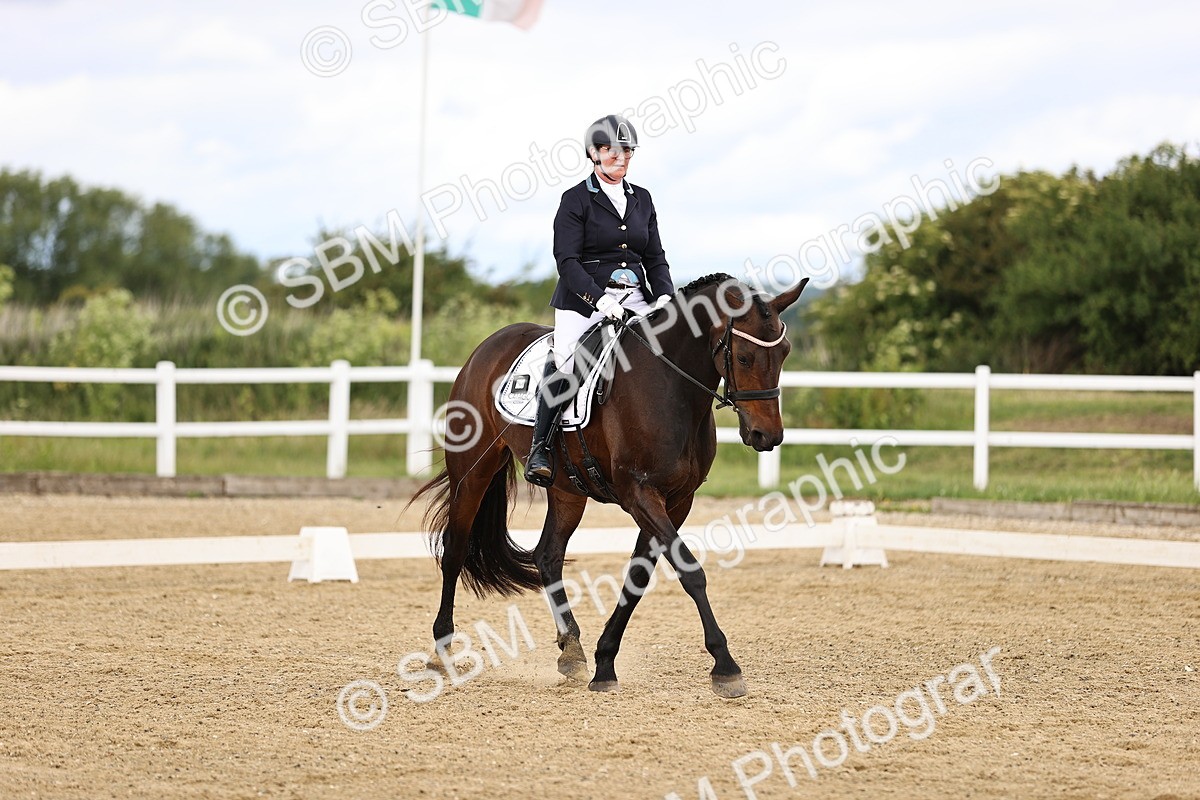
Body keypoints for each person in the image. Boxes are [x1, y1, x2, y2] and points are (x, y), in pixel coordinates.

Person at [524, 114, 676, 486]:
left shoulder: (642, 199)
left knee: (673, 352)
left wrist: (664, 297)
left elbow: (655, 257)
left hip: (636, 299)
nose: (621, 158)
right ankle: (541, 448)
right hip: (584, 301)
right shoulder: (575, 199)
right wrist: (600, 300)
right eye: (611, 150)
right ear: (594, 153)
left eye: (627, 151)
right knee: (567, 361)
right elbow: (567, 262)